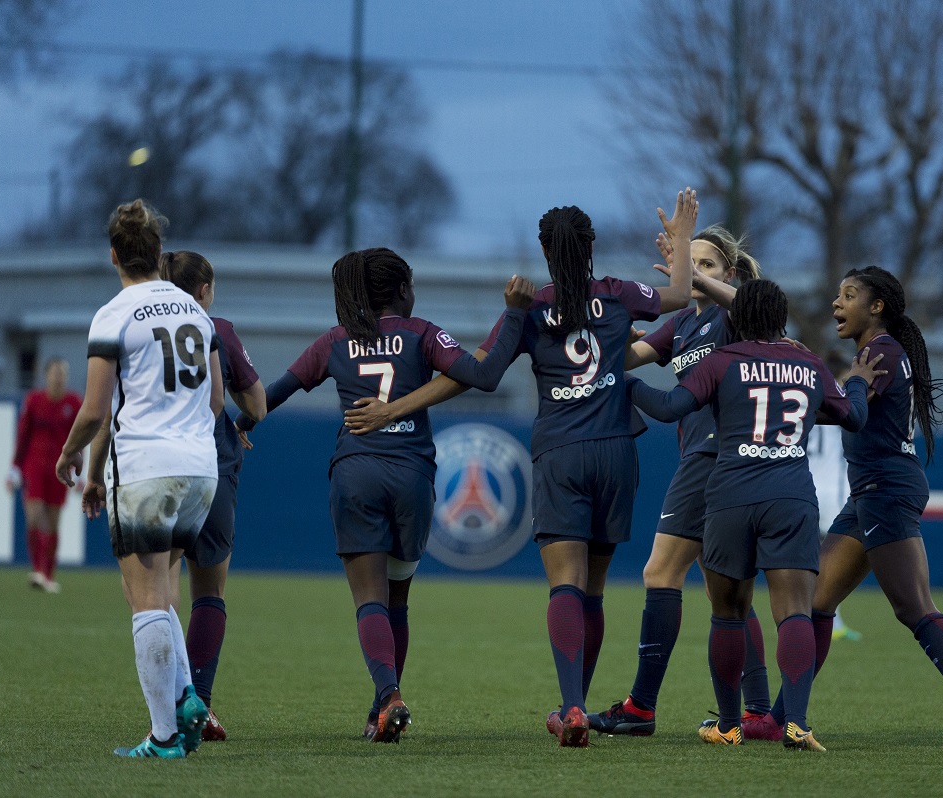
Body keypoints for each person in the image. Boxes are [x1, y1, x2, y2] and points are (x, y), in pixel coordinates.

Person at [342, 190, 699, 747]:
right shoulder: (620, 295)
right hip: (615, 451)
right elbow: (679, 292)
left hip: (560, 453)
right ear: (590, 248)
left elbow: (478, 372)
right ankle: (574, 702)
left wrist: (393, 407)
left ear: (543, 250)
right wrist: (680, 236)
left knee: (565, 583)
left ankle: (573, 708)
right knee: (595, 591)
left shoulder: (531, 309)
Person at [235, 247, 534, 744]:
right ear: (400, 291)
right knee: (398, 597)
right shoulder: (420, 333)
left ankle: (389, 696)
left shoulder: (335, 341)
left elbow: (273, 393)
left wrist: (241, 423)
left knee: (368, 598)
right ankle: (382, 707)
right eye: (410, 287)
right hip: (412, 476)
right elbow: (483, 375)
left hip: (355, 473)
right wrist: (514, 313)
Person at [760, 265, 943, 748]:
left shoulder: (880, 351)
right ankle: (780, 717)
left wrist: (797, 370)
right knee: (816, 604)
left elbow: (841, 409)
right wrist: (805, 362)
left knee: (913, 607)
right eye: (837, 294)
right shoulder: (875, 352)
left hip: (886, 489)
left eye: (849, 295)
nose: (837, 303)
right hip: (870, 491)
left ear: (876, 307)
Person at [626, 279, 880, 749]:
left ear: (737, 318)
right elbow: (853, 417)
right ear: (781, 318)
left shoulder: (721, 361)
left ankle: (727, 726)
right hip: (790, 497)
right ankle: (797, 723)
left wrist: (624, 381)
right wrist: (860, 382)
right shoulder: (808, 363)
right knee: (794, 613)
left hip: (730, 497)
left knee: (728, 613)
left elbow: (667, 408)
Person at [587, 225, 775, 737]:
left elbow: (755, 305)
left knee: (661, 573)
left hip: (717, 457)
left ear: (728, 274)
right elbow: (626, 359)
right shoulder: (682, 325)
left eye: (707, 264)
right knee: (731, 593)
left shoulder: (733, 315)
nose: (695, 273)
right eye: (687, 265)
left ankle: (642, 707)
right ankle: (759, 712)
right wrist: (612, 337)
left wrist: (693, 276)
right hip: (709, 459)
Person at [54, 198, 223, 758]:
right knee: (163, 592)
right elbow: (218, 402)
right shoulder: (197, 313)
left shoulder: (114, 315)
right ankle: (187, 698)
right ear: (158, 253)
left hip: (146, 469)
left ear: (114, 255)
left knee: (144, 599)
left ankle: (165, 736)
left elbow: (96, 410)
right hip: (201, 471)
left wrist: (71, 455)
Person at [160, 250, 267, 742]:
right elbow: (257, 404)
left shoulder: (141, 326)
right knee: (208, 592)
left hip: (152, 472)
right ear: (204, 289)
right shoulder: (216, 328)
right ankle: (199, 702)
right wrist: (240, 423)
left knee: (157, 595)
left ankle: (166, 711)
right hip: (210, 471)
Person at [7, 357, 82, 593]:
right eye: (55, 372)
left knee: (53, 522)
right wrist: (14, 468)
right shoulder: (34, 401)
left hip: (60, 470)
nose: (59, 377)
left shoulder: (73, 403)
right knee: (34, 516)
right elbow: (22, 436)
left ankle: (48, 574)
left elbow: (80, 440)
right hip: (34, 467)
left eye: (63, 373)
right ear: (46, 374)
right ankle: (38, 569)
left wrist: (79, 473)